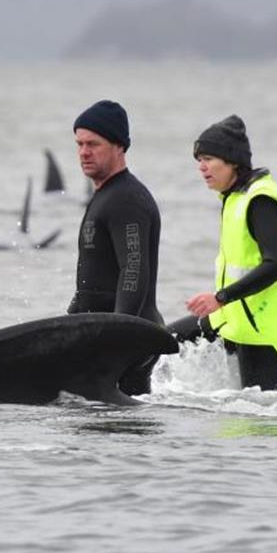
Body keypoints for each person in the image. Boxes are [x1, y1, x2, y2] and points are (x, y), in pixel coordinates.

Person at [171, 115, 277, 391]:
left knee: (259, 419)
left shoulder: (261, 199)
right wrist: (222, 302)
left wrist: (220, 297)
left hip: (261, 328)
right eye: (198, 160)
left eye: (208, 159)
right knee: (161, 342)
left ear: (232, 161)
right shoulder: (234, 197)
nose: (201, 167)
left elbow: (275, 265)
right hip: (231, 316)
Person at [67, 100, 163, 395]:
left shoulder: (126, 200)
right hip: (106, 336)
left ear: (119, 146)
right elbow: (95, 276)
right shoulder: (106, 195)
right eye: (79, 144)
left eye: (93, 144)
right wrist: (70, 322)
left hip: (126, 341)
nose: (84, 152)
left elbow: (133, 268)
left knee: (120, 434)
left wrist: (119, 335)